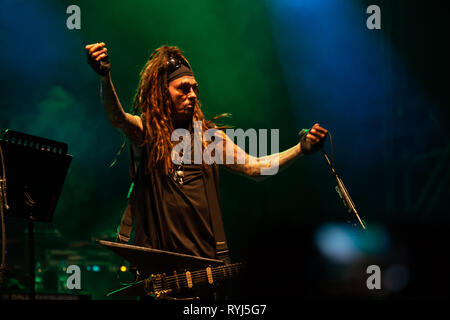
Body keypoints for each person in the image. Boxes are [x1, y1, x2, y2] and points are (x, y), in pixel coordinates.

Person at [85, 42, 328, 298]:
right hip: (160, 279)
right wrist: (105, 77)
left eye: (194, 89)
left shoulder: (209, 141)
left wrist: (301, 148)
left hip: (205, 275)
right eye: (183, 88)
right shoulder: (148, 134)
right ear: (161, 92)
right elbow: (117, 117)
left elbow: (256, 167)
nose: (191, 95)